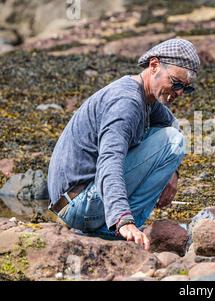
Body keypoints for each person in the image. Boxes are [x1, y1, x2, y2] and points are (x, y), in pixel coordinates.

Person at [47, 38, 200, 250]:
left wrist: (174, 172)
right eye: (175, 82)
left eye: (186, 88)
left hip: (77, 202)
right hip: (78, 205)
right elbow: (109, 161)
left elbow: (171, 123)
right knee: (172, 141)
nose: (180, 92)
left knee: (172, 135)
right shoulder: (126, 102)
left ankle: (118, 225)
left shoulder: (148, 99)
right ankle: (120, 229)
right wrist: (123, 218)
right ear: (154, 65)